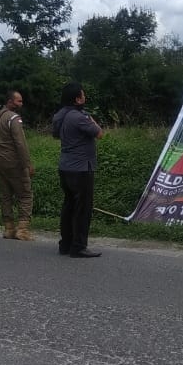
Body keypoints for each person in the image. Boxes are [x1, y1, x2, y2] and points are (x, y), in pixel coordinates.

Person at [52, 82, 104, 259]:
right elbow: (99, 133)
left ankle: (65, 244)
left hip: (65, 166)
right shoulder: (79, 117)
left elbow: (55, 134)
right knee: (82, 209)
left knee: (69, 206)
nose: (85, 97)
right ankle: (79, 246)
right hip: (81, 168)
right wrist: (90, 118)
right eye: (83, 95)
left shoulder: (60, 115)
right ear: (76, 99)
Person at [0, 90, 34, 241]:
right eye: (18, 101)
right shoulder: (13, 118)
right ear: (10, 101)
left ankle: (8, 228)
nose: (21, 104)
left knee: (6, 195)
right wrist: (27, 164)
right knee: (25, 194)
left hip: (0, 161)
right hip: (14, 161)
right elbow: (20, 143)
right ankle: (22, 230)